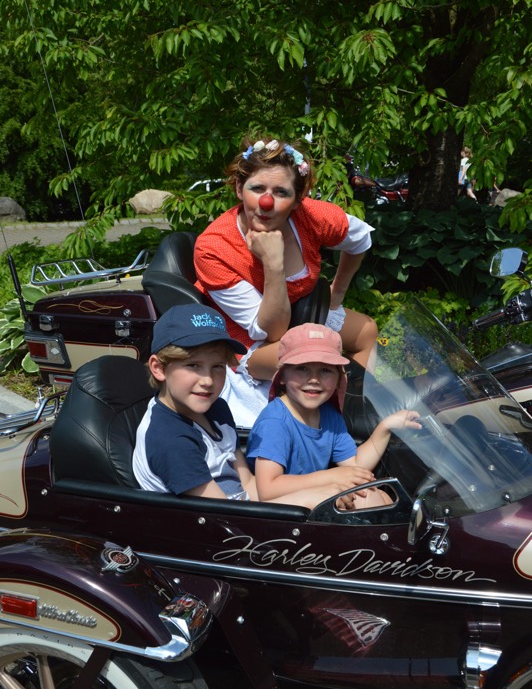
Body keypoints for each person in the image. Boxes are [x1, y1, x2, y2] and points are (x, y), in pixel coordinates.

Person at [193, 135, 379, 427]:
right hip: (253, 343)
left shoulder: (312, 217)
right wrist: (273, 263)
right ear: (240, 189)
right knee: (319, 359)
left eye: (281, 192)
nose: (266, 202)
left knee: (366, 332)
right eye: (257, 189)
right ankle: (322, 430)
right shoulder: (214, 248)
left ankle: (356, 419)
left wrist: (337, 293)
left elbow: (360, 239)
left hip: (302, 316)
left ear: (297, 200)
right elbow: (272, 330)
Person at [133, 304, 361, 510]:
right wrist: (315, 496)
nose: (208, 381)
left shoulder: (216, 409)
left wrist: (322, 492)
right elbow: (220, 516)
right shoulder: (170, 439)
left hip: (242, 513)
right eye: (194, 366)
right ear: (159, 368)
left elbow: (250, 485)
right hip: (213, 535)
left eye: (218, 367)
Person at [246, 323, 422, 507]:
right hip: (279, 515)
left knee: (379, 497)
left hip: (312, 503)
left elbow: (354, 466)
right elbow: (267, 490)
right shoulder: (275, 423)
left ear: (339, 378)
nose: (314, 379)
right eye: (302, 368)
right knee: (368, 501)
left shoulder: (328, 415)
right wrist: (330, 476)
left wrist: (385, 427)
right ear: (281, 376)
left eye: (325, 370)